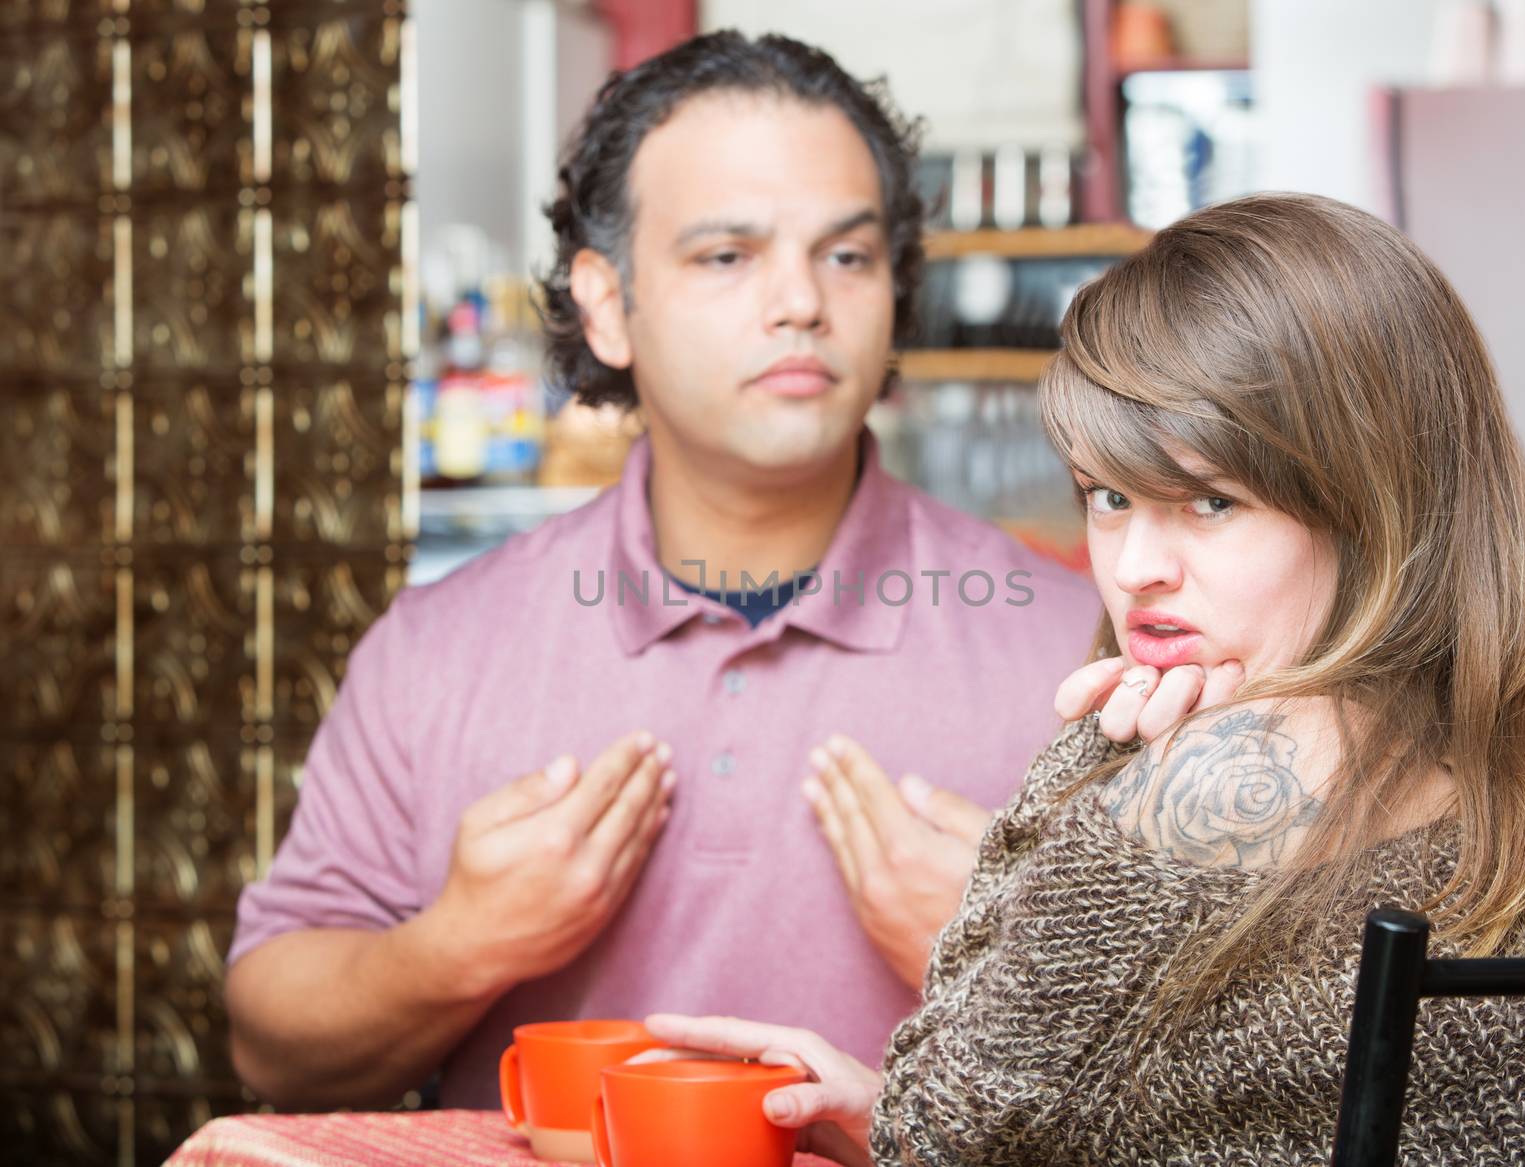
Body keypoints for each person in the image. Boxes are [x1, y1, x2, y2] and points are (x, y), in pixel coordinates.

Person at [223, 31, 1100, 1110]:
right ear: (605, 303)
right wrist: (456, 947)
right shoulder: (439, 648)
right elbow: (272, 1050)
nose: (801, 304)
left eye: (848, 255)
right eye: (726, 256)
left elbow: (1234, 1104)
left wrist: (1013, 971)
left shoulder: (1082, 659)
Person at [646, 192, 1525, 1165]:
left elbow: (938, 1142)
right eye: (1106, 495)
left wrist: (1085, 774)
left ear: (1370, 500)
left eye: (1207, 501)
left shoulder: (1211, 780)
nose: (1136, 564)